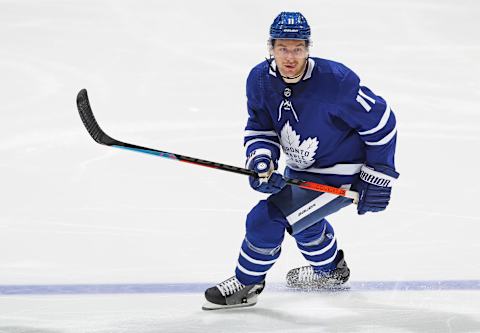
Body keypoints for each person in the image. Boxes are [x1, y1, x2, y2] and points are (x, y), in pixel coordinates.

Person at [202, 11, 399, 310]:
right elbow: (261, 127)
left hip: (342, 173)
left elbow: (382, 123)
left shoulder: (336, 81)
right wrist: (262, 161)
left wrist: (377, 176)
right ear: (271, 48)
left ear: (308, 48)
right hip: (302, 169)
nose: (290, 57)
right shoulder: (259, 80)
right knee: (305, 222)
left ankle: (247, 283)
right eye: (282, 48)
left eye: (297, 49)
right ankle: (330, 272)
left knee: (265, 219)